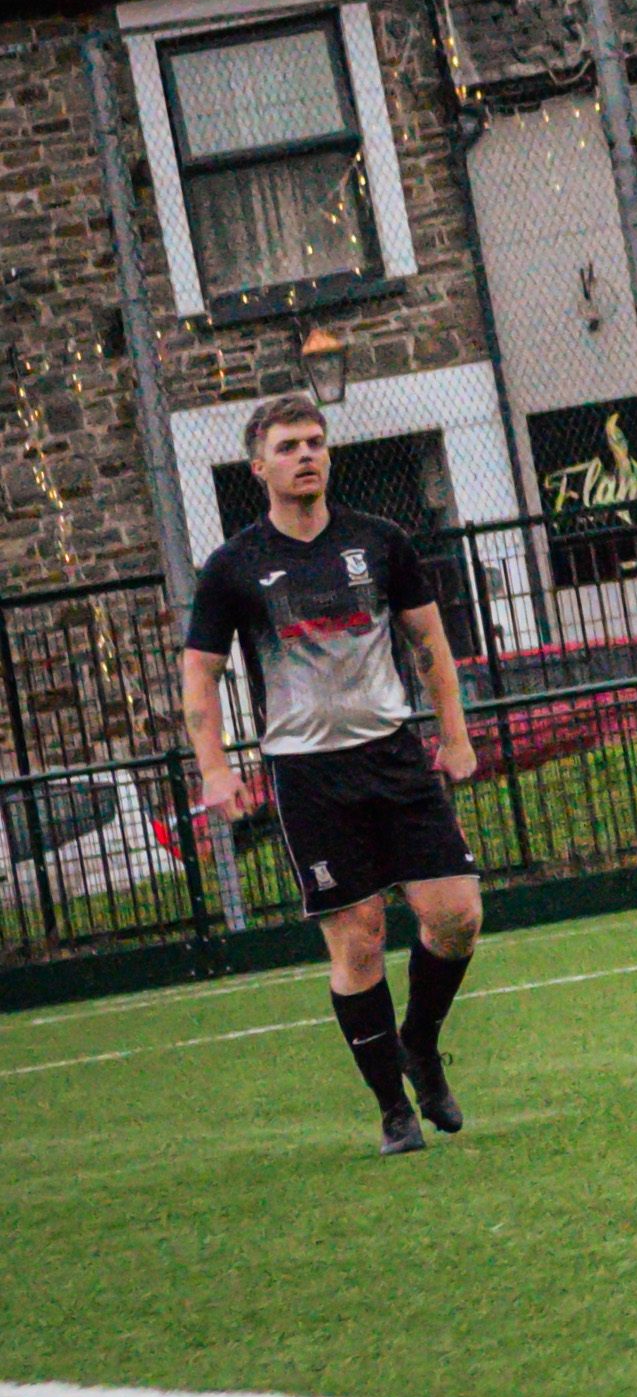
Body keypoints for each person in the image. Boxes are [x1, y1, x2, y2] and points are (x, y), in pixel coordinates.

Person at [180, 393, 483, 1155]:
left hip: (392, 754)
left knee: (456, 915)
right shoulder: (232, 567)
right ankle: (392, 1108)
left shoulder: (381, 542)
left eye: (315, 441)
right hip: (307, 776)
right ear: (259, 465)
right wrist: (215, 768)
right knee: (359, 940)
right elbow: (200, 678)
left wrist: (454, 735)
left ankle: (420, 1043)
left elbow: (430, 646)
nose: (306, 454)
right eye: (288, 446)